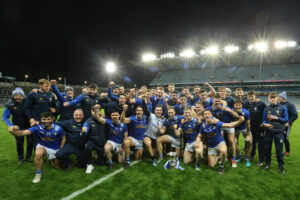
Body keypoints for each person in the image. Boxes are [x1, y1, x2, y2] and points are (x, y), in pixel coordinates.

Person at [8, 112, 66, 183]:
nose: (46, 121)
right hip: (43, 146)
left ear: (52, 119)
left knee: (57, 167)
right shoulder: (38, 127)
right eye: (44, 119)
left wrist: (62, 146)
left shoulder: (58, 128)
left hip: (54, 149)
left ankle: (51, 160)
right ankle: (38, 174)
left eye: (48, 119)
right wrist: (12, 131)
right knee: (38, 153)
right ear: (41, 120)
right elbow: (23, 133)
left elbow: (63, 137)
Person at [199, 109, 244, 174]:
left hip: (219, 142)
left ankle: (221, 166)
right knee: (211, 165)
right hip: (211, 146)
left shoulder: (216, 122)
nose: (207, 115)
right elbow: (201, 136)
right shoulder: (203, 126)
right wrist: (202, 144)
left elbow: (229, 125)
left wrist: (239, 121)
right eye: (205, 114)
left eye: (208, 113)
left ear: (211, 115)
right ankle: (217, 156)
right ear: (203, 116)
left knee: (223, 151)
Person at [207, 94, 240, 168]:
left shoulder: (225, 107)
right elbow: (204, 111)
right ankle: (221, 156)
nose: (217, 103)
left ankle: (233, 158)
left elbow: (237, 116)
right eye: (216, 101)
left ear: (220, 101)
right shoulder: (211, 109)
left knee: (231, 141)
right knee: (219, 141)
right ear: (213, 101)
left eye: (218, 101)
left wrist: (230, 111)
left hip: (228, 124)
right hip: (220, 126)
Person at [2, 87, 33, 163]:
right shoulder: (10, 104)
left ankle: (28, 157)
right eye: (16, 95)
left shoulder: (28, 102)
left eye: (20, 95)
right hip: (18, 127)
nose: (18, 97)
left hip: (29, 126)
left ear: (23, 96)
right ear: (13, 96)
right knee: (19, 142)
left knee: (30, 141)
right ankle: (21, 158)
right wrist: (11, 125)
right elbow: (4, 117)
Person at [262, 92, 288, 174]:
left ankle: (281, 167)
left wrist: (276, 118)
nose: (272, 99)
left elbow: (286, 119)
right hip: (268, 132)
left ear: (277, 98)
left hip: (278, 132)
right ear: (268, 99)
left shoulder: (283, 108)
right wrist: (265, 124)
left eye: (274, 97)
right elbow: (263, 120)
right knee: (267, 149)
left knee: (279, 151)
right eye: (271, 97)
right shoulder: (266, 108)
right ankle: (267, 164)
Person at [82, 106, 108, 173]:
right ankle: (89, 165)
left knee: (102, 163)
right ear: (91, 112)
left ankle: (99, 156)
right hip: (93, 141)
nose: (95, 112)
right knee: (87, 147)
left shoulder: (104, 119)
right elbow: (85, 129)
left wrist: (101, 111)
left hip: (102, 142)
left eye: (96, 110)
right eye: (93, 111)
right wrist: (84, 131)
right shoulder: (88, 121)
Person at [247, 90, 266, 166]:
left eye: (252, 96)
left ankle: (261, 160)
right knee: (252, 142)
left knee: (261, 144)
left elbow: (267, 112)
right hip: (251, 128)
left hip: (260, 128)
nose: (250, 98)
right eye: (249, 97)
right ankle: (252, 155)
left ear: (255, 97)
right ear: (247, 97)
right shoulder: (247, 104)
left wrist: (264, 122)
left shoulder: (261, 104)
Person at [143, 101, 164, 167]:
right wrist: (143, 101)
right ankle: (154, 160)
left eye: (160, 110)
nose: (158, 111)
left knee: (153, 153)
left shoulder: (163, 120)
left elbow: (163, 131)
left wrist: (160, 129)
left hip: (156, 139)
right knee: (148, 144)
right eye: (157, 110)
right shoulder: (151, 116)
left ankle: (147, 152)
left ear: (162, 111)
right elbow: (145, 110)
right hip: (148, 136)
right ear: (154, 111)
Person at [233, 99, 252, 167]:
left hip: (244, 129)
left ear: (242, 106)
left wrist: (248, 134)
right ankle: (239, 155)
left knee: (250, 142)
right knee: (234, 143)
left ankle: (247, 158)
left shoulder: (246, 112)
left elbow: (248, 124)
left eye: (239, 105)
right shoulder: (231, 111)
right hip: (235, 129)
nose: (237, 106)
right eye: (236, 105)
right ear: (234, 105)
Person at [277, 91, 298, 156]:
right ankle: (279, 152)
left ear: (282, 98)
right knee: (279, 138)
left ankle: (287, 151)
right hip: (279, 124)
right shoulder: (278, 104)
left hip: (286, 125)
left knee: (285, 138)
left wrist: (289, 122)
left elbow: (295, 115)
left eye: (279, 97)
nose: (277, 98)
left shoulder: (290, 105)